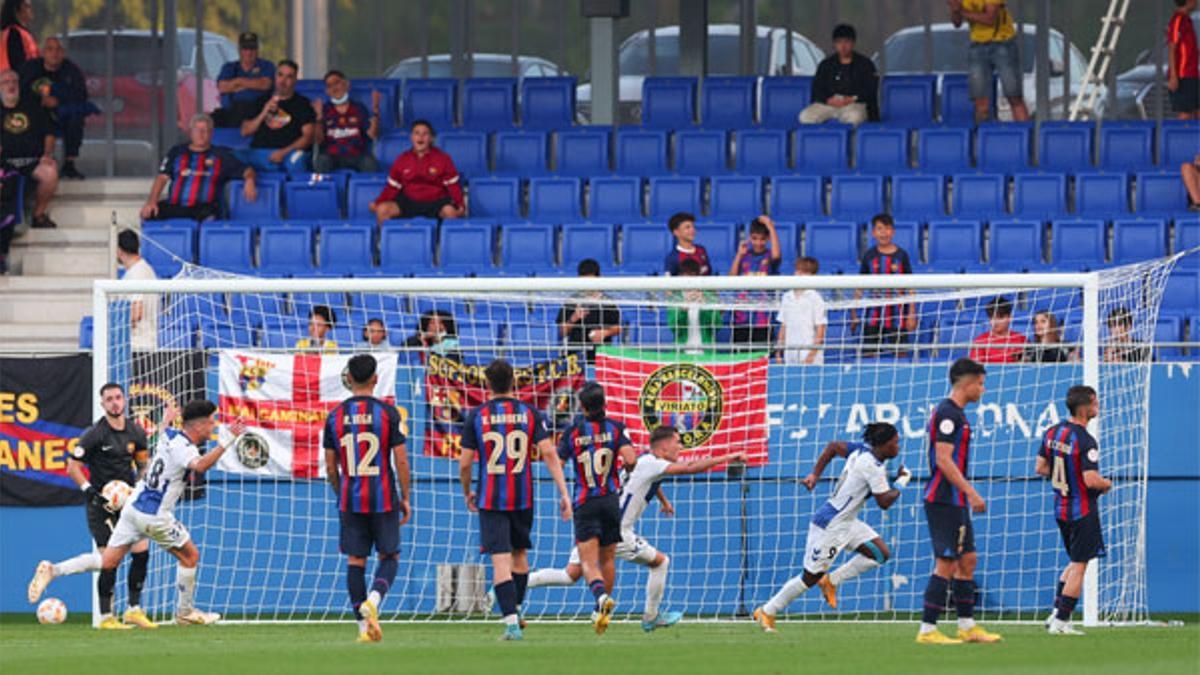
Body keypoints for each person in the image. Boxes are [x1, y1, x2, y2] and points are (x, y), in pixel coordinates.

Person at [29, 399, 244, 625]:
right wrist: (225, 442)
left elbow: (164, 430)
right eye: (211, 423)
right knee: (190, 556)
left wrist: (166, 420)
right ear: (199, 426)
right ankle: (185, 612)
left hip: (133, 507)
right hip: (155, 515)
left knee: (108, 561)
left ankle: (54, 569)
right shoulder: (185, 448)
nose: (214, 427)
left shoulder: (169, 436)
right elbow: (199, 466)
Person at [527, 425, 744, 632]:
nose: (681, 447)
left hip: (598, 526)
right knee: (661, 562)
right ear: (664, 447)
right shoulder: (654, 464)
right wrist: (728, 458)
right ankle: (649, 617)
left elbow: (648, 481)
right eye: (677, 443)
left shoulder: (642, 460)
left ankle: (514, 583)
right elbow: (689, 468)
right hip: (619, 533)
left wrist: (663, 501)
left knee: (569, 575)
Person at [754, 423, 911, 631]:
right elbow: (884, 502)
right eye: (895, 442)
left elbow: (833, 447)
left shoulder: (859, 450)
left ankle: (832, 581)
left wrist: (815, 475)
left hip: (848, 521)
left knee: (880, 554)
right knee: (809, 578)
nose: (898, 447)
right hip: (831, 525)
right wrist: (901, 482)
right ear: (883, 444)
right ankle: (767, 611)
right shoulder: (872, 467)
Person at [457, 359, 572, 641]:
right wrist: (564, 492)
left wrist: (466, 491)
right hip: (523, 497)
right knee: (520, 557)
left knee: (500, 562)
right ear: (514, 383)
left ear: (487, 384)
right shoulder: (529, 412)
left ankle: (510, 624)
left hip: (491, 498)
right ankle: (517, 609)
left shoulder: (477, 415)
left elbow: (464, 462)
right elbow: (548, 453)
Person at [322, 354, 411, 643]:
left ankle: (363, 629)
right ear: (375, 379)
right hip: (383, 498)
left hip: (351, 498)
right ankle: (374, 599)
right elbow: (401, 460)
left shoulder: (334, 416)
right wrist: (405, 497)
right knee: (390, 556)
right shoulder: (388, 414)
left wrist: (341, 491)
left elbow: (330, 466)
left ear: (349, 379)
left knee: (356, 560)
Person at [916, 358, 1002, 644]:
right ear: (967, 384)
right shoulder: (948, 413)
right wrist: (971, 492)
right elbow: (942, 459)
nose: (983, 389)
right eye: (980, 383)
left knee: (968, 560)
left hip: (955, 500)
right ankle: (927, 630)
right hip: (943, 499)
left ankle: (967, 626)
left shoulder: (957, 413)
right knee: (946, 563)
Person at [67, 383, 164, 629]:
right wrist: (90, 492)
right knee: (109, 561)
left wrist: (139, 486)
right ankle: (106, 616)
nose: (114, 402)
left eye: (118, 397)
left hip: (128, 504)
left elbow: (142, 464)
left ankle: (133, 610)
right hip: (101, 506)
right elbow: (73, 467)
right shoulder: (94, 434)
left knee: (141, 551)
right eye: (109, 399)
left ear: (124, 400)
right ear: (102, 404)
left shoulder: (136, 432)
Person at [555, 383, 637, 634]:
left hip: (585, 501)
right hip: (611, 500)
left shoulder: (572, 433)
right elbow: (631, 459)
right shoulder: (616, 428)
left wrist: (564, 495)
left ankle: (601, 598)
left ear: (582, 406)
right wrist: (624, 471)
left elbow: (557, 462)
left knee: (588, 563)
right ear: (604, 403)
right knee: (608, 559)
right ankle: (602, 612)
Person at [1036, 385, 1111, 636]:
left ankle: (1056, 613)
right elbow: (1091, 480)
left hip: (1061, 508)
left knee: (1075, 561)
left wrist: (1066, 477)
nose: (1098, 407)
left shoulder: (1052, 432)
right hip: (1082, 510)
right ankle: (1062, 621)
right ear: (1086, 406)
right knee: (1080, 565)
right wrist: (1106, 483)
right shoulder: (1086, 440)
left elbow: (1041, 468)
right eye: (1095, 402)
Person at [141, 113, 258, 222]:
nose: (201, 134)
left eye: (205, 131)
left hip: (204, 209)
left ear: (211, 134)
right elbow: (162, 178)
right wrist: (152, 201)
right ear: (190, 132)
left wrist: (250, 180)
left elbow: (248, 170)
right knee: (149, 213)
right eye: (197, 130)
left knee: (211, 219)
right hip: (175, 206)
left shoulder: (221, 155)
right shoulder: (176, 152)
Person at [18, 36, 96, 179]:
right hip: (34, 112)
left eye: (59, 50)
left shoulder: (72, 70)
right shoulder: (30, 68)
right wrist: (39, 101)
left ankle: (69, 164)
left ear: (64, 53)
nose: (54, 53)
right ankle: (28, 163)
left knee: (75, 117)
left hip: (60, 113)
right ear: (43, 52)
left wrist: (59, 100)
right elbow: (18, 92)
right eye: (50, 49)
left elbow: (81, 95)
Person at [950, 0, 1030, 122]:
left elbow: (990, 19)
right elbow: (956, 23)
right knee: (980, 100)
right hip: (977, 44)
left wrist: (962, 11)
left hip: (1003, 42)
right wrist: (955, 11)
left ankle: (1026, 136)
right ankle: (983, 137)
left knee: (1013, 96)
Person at [370, 120, 464, 223]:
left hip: (436, 202)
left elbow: (453, 186)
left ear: (431, 138)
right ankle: (384, 238)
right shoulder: (402, 159)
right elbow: (392, 187)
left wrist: (460, 204)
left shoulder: (443, 159)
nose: (420, 137)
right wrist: (378, 202)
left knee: (450, 212)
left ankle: (444, 239)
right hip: (409, 202)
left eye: (425, 134)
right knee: (383, 210)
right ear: (411, 137)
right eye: (417, 133)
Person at [1, 67, 58, 229]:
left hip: (32, 161)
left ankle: (38, 215)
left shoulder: (33, 106)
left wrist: (47, 154)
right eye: (6, 82)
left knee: (50, 173)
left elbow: (50, 133)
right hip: (4, 163)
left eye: (14, 82)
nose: (11, 85)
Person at [239, 59, 314, 175]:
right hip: (260, 153)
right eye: (280, 75)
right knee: (233, 157)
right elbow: (245, 131)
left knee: (297, 161)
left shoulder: (302, 104)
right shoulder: (261, 101)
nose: (283, 81)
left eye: (289, 77)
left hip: (288, 153)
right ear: (275, 76)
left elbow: (308, 137)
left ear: (295, 80)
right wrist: (264, 112)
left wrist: (283, 152)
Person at [854, 214, 915, 356]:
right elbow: (860, 285)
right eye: (880, 229)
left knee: (901, 353)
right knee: (869, 354)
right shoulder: (869, 256)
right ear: (873, 233)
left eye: (887, 228)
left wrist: (912, 314)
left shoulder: (902, 256)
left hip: (898, 313)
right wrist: (854, 313)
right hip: (874, 314)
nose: (884, 232)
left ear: (893, 232)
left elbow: (911, 286)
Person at [798, 24, 879, 126]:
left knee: (855, 117)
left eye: (846, 42)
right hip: (829, 104)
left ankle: (847, 141)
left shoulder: (865, 64)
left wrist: (851, 99)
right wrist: (828, 100)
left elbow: (870, 90)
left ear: (853, 43)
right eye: (839, 42)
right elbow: (817, 89)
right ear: (834, 44)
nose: (843, 46)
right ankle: (820, 140)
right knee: (805, 116)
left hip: (853, 104)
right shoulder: (826, 65)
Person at [313, 70, 381, 173]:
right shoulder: (324, 110)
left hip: (356, 154)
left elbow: (372, 135)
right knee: (322, 161)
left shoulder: (359, 108)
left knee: (369, 163)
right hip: (331, 155)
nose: (334, 88)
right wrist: (318, 118)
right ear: (327, 91)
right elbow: (318, 140)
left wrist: (376, 110)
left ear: (347, 85)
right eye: (330, 86)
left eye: (337, 83)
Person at [729, 216, 782, 348]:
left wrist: (770, 226)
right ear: (750, 237)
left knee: (762, 356)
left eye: (763, 239)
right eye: (754, 238)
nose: (758, 242)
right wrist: (739, 255)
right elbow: (731, 278)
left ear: (768, 239)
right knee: (741, 356)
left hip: (762, 316)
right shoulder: (744, 255)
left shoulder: (770, 256)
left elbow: (776, 254)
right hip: (742, 315)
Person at [556, 259, 622, 360]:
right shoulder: (572, 301)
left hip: (602, 355)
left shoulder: (607, 302)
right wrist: (573, 318)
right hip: (576, 356)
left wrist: (604, 333)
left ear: (598, 278)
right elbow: (562, 331)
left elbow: (618, 328)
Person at [212, 32, 274, 128]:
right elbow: (222, 87)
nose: (249, 52)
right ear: (239, 50)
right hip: (230, 111)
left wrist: (238, 82)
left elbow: (265, 84)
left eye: (252, 48)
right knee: (209, 120)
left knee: (242, 108)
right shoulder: (230, 67)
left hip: (257, 111)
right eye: (245, 48)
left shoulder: (266, 65)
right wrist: (250, 83)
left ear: (257, 50)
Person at [776, 257, 828, 365]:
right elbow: (783, 326)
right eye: (798, 270)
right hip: (790, 353)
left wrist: (811, 355)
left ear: (813, 276)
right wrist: (778, 352)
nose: (799, 274)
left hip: (809, 355)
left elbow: (820, 330)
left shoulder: (816, 298)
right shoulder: (787, 297)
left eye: (804, 272)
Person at [117, 229, 159, 351]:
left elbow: (136, 312)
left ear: (119, 251)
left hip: (137, 344)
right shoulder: (146, 269)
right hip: (146, 342)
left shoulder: (137, 273)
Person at [667, 259, 722, 353]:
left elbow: (717, 326)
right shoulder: (675, 298)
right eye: (686, 276)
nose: (689, 281)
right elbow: (673, 327)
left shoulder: (709, 296)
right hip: (681, 354)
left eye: (692, 276)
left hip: (706, 354)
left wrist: (705, 307)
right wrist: (683, 310)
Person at [968, 296, 1027, 363]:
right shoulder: (981, 341)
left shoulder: (1021, 339)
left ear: (1009, 318)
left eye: (1000, 317)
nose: (995, 322)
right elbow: (975, 370)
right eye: (992, 318)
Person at [1167, 0, 1199, 120]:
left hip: (1192, 73)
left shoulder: (1188, 20)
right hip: (1182, 74)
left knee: (1197, 111)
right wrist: (1174, 76)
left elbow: (1188, 48)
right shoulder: (1178, 19)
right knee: (1185, 113)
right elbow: (1172, 47)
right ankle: (1178, 138)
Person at [663, 212, 712, 276]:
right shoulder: (672, 258)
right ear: (676, 232)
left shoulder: (701, 250)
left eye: (693, 227)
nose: (692, 230)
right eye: (687, 227)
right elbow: (668, 282)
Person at [0, 0, 37, 72]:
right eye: (27, 6)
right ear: (16, 10)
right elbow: (17, 66)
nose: (31, 9)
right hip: (13, 81)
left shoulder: (22, 33)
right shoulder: (14, 34)